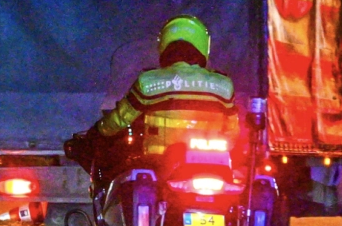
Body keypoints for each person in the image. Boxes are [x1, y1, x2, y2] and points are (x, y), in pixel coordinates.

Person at [93, 15, 239, 166]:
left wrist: (97, 132)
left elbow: (119, 120)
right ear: (203, 46)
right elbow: (232, 133)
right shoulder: (224, 86)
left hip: (159, 167)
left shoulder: (148, 82)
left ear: (164, 45)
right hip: (212, 167)